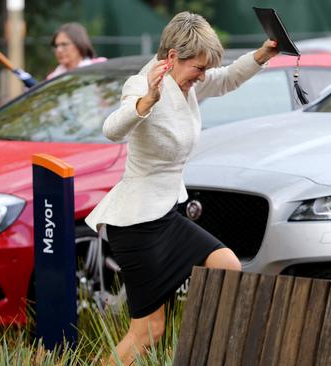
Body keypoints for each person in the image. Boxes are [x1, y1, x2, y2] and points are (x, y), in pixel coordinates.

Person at [84, 11, 278, 365]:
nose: (203, 76)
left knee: (227, 265)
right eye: (199, 68)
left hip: (167, 215)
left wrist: (263, 53)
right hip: (137, 224)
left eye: (205, 69)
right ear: (172, 58)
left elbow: (226, 78)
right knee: (147, 332)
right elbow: (112, 129)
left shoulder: (185, 81)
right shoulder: (143, 84)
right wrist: (146, 102)